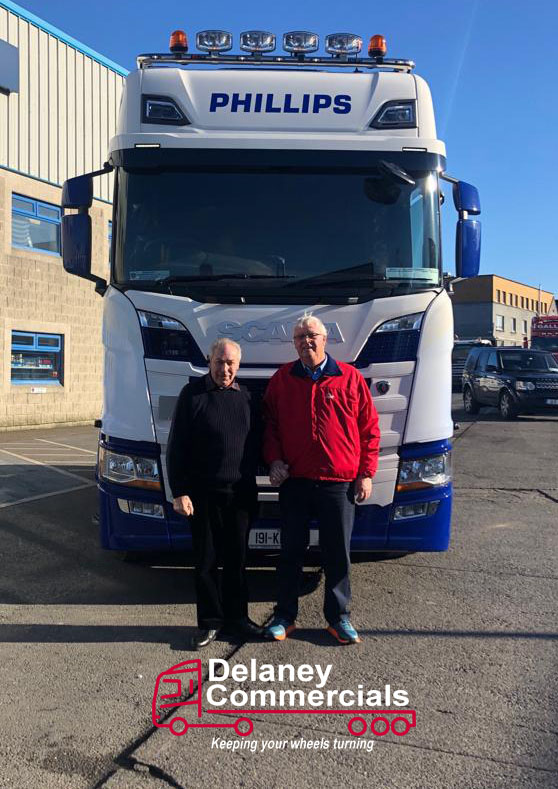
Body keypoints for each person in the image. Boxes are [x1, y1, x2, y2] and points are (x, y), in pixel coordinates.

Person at [262, 315, 380, 645]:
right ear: (294, 344)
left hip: (338, 483)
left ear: (325, 339)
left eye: (311, 335)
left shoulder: (350, 378)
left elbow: (369, 429)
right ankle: (284, 617)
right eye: (299, 337)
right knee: (290, 552)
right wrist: (274, 460)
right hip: (296, 482)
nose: (306, 342)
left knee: (337, 554)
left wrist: (366, 473)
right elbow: (269, 426)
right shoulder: (282, 379)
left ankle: (338, 618)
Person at [166, 338, 263, 650]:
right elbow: (176, 447)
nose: (225, 368)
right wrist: (179, 491)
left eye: (231, 363)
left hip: (241, 494)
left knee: (237, 561)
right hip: (202, 495)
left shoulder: (248, 397)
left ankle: (238, 620)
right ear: (209, 361)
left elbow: (260, 441)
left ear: (239, 364)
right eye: (219, 362)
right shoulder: (192, 394)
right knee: (206, 562)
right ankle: (209, 622)